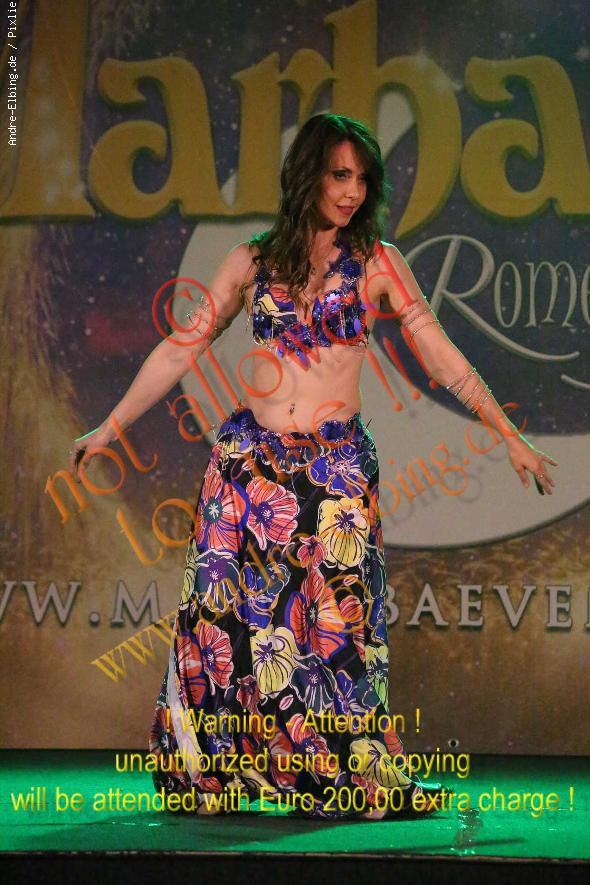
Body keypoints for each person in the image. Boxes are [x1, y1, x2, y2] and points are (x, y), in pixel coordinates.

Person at [68, 113, 558, 821]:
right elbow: (181, 348)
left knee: (336, 627)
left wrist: (507, 433)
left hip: (334, 474)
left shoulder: (378, 262)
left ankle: (350, 775)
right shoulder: (251, 262)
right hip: (247, 472)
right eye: (339, 175)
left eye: (362, 178)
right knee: (224, 623)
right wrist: (110, 426)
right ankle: (220, 775)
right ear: (309, 176)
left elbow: (440, 354)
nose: (352, 191)